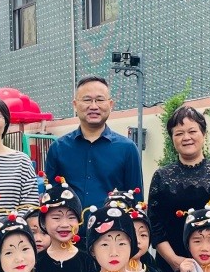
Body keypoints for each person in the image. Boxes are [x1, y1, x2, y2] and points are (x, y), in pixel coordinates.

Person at [147, 106, 210, 271]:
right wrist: (174, 261)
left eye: (192, 131)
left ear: (204, 134)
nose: (186, 138)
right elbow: (155, 225)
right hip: (171, 264)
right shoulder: (162, 176)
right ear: (172, 138)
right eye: (179, 133)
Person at [42, 76, 143, 209]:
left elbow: (136, 200)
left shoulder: (127, 149)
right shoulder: (58, 148)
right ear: (75, 105)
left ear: (111, 105)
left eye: (100, 100)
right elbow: (50, 198)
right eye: (87, 100)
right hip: (70, 223)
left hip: (111, 222)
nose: (94, 106)